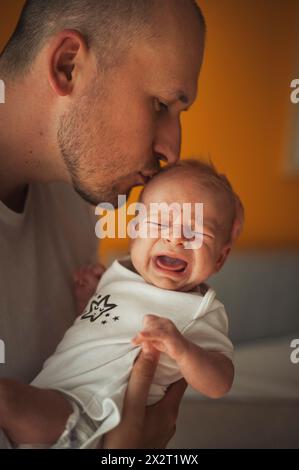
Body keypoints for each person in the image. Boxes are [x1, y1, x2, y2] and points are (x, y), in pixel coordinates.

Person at [0, 0, 206, 448]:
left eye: (178, 114)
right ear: (68, 65)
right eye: (159, 104)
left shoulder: (78, 196)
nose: (173, 148)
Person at [0, 159, 244, 448]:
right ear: (134, 231)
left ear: (219, 258)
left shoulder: (202, 310)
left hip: (95, 416)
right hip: (55, 392)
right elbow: (103, 330)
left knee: (6, 398)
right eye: (160, 222)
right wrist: (89, 301)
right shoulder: (118, 275)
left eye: (197, 231)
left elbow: (221, 383)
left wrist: (181, 348)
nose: (176, 238)